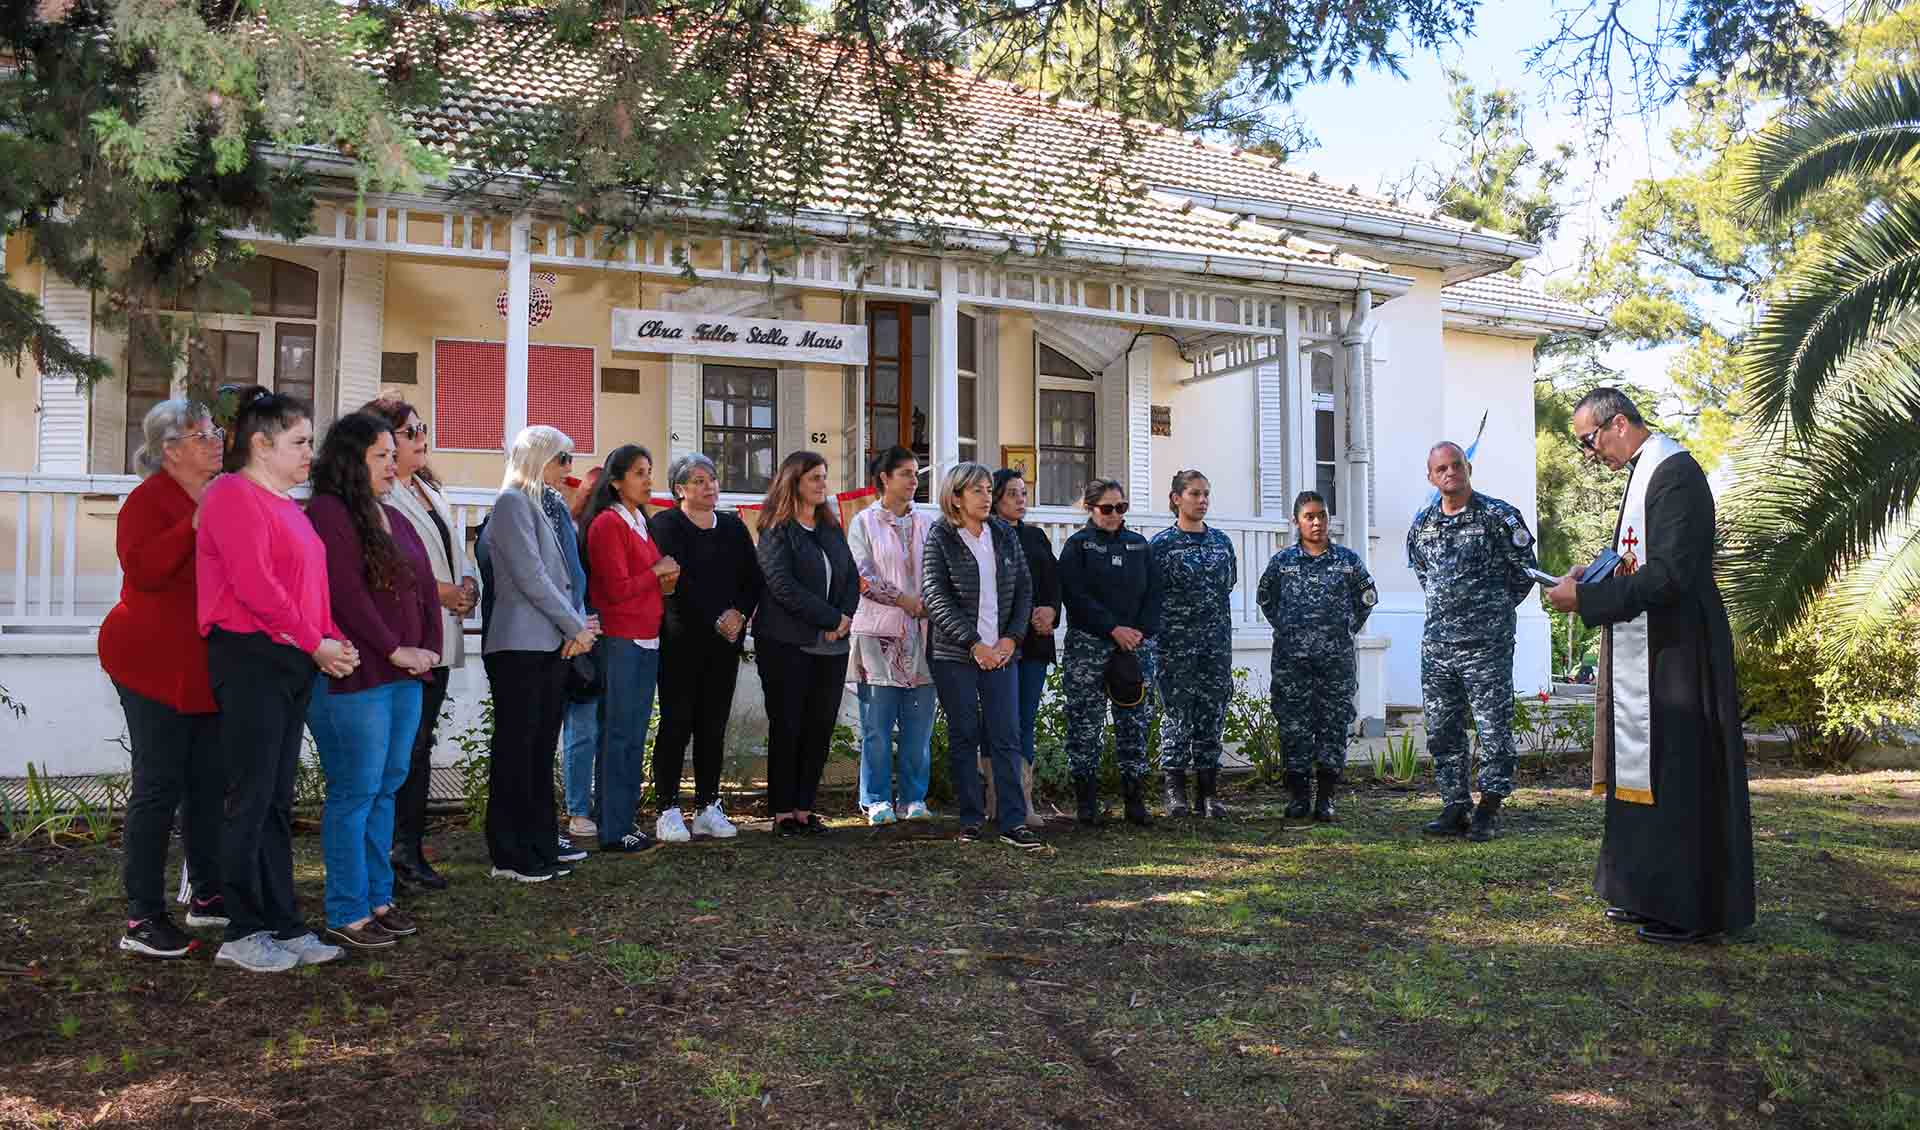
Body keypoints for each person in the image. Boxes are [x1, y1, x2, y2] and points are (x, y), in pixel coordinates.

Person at [1546, 387, 1755, 944]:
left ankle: (1685, 908)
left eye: (1590, 442)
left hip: (1681, 652)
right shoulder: (1645, 472)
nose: (1591, 454)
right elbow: (1640, 560)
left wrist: (1587, 602)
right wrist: (1597, 571)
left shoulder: (1675, 474)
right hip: (1653, 646)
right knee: (1644, 770)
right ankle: (1641, 893)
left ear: (1618, 424)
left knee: (1677, 772)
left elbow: (1672, 576)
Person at [197, 387, 355, 972]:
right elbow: (256, 588)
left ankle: (282, 922)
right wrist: (317, 642)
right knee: (250, 796)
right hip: (249, 657)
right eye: (300, 442)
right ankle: (241, 930)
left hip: (288, 659)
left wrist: (333, 639)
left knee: (275, 800)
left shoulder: (288, 505)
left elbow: (309, 590)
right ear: (261, 445)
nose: (310, 453)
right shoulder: (231, 495)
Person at [304, 413, 442, 950]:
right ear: (351, 460)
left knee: (386, 789)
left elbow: (426, 586)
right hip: (355, 678)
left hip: (406, 676)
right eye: (381, 455)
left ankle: (379, 898)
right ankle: (347, 908)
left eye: (393, 454)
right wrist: (392, 648)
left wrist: (427, 645)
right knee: (355, 793)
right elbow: (345, 594)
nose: (393, 463)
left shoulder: (394, 516)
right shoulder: (329, 513)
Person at [102, 400, 228, 958]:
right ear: (171, 449)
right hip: (151, 663)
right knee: (158, 786)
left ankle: (206, 895)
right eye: (203, 435)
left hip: (203, 663)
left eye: (216, 432)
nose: (216, 442)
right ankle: (142, 918)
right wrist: (192, 525)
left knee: (207, 783)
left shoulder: (223, 495)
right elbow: (145, 570)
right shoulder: (148, 500)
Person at [360, 398, 476, 892]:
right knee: (403, 748)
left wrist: (468, 587)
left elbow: (454, 549)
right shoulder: (382, 497)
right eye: (410, 432)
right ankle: (393, 853)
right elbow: (394, 564)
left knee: (421, 744)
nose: (421, 437)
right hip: (406, 638)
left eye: (422, 428)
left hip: (441, 631)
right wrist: (439, 591)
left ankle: (409, 846)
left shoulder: (428, 489)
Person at [479, 426, 598, 881]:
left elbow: (566, 574)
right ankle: (509, 855)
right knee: (517, 749)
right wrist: (575, 626)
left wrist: (576, 628)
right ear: (539, 457)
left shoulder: (545, 505)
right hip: (519, 645)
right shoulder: (512, 502)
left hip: (549, 643)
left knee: (540, 749)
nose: (569, 467)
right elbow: (530, 578)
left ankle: (541, 842)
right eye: (563, 457)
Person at [1406, 441, 1540, 842]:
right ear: (1431, 476)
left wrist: (1492, 611)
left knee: (1493, 728)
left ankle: (1490, 806)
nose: (1450, 473)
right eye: (1441, 469)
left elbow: (1524, 573)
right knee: (1443, 729)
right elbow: (1424, 575)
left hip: (1486, 645)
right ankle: (1454, 804)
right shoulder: (1423, 523)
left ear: (1468, 468)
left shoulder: (1498, 516)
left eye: (1457, 465)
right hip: (1439, 646)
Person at [923, 463, 1041, 849]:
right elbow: (935, 597)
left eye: (989, 489)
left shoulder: (1004, 534)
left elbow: (1024, 589)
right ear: (955, 497)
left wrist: (1010, 639)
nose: (987, 497)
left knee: (1006, 735)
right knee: (965, 735)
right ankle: (971, 819)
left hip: (1002, 653)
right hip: (956, 654)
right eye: (977, 490)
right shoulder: (940, 535)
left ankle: (1012, 821)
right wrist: (975, 644)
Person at [649, 453, 760, 840]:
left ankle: (708, 806)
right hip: (681, 639)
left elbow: (752, 579)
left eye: (712, 478)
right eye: (698, 480)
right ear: (679, 488)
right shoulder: (664, 525)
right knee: (677, 723)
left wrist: (739, 614)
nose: (709, 485)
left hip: (725, 642)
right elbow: (675, 582)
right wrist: (717, 615)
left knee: (713, 725)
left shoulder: (732, 527)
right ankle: (666, 808)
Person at [754, 451, 859, 837]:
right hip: (786, 644)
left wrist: (845, 618)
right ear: (794, 481)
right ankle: (782, 811)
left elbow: (850, 578)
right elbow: (781, 586)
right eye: (814, 477)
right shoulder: (776, 530)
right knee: (789, 725)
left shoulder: (831, 528)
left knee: (818, 727)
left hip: (832, 646)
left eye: (824, 477)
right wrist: (830, 618)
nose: (822, 484)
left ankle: (803, 808)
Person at [1257, 491, 1377, 822]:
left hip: (1334, 661)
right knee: (1294, 727)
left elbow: (1367, 597)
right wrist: (1286, 627)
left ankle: (1326, 798)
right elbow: (1265, 597)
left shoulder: (1348, 561)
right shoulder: (1282, 563)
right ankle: (1297, 798)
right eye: (1309, 516)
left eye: (1322, 515)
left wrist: (1346, 627)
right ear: (1297, 521)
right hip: (1291, 662)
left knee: (1333, 726)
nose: (1316, 522)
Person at [581, 445, 678, 853]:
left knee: (634, 734)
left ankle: (621, 819)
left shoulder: (639, 520)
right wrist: (656, 572)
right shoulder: (607, 524)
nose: (648, 479)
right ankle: (613, 826)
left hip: (647, 636)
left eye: (649, 471)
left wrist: (664, 577)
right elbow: (615, 589)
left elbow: (649, 579)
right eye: (640, 472)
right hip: (620, 638)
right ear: (616, 480)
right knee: (618, 734)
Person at [1058, 478, 1163, 827]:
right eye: (1107, 508)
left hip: (1134, 647)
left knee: (1134, 722)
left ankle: (1135, 800)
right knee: (1084, 724)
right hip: (1089, 646)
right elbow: (1074, 596)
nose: (1115, 515)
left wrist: (1138, 633)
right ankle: (1086, 802)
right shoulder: (1078, 546)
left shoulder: (1139, 546)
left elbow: (1154, 595)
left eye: (1121, 507)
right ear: (1090, 508)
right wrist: (1111, 629)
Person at [849, 446, 937, 826]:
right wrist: (904, 600)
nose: (914, 480)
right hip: (878, 636)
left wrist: (928, 604)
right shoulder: (863, 523)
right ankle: (876, 799)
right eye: (905, 473)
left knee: (919, 726)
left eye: (916, 473)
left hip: (924, 635)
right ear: (884, 478)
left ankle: (915, 798)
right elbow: (862, 575)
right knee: (878, 727)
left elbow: (939, 571)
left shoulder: (929, 523)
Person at [1149, 470, 1238, 819]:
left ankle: (1209, 793)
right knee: (1176, 717)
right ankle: (1175, 791)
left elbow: (1227, 584)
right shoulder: (1161, 546)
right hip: (1175, 647)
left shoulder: (1221, 543)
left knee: (1211, 718)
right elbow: (1152, 593)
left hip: (1214, 646)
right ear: (1176, 499)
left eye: (1206, 494)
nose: (1202, 501)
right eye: (1194, 494)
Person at [992, 468, 1061, 826]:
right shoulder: (985, 534)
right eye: (1012, 494)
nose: (1021, 500)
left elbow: (1052, 583)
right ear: (995, 498)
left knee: (1024, 720)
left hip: (1034, 642)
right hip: (998, 642)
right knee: (999, 720)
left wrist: (1050, 611)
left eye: (1023, 492)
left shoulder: (1036, 537)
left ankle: (1023, 801)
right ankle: (996, 800)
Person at [558, 463, 603, 842]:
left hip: (609, 639)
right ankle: (577, 809)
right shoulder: (571, 532)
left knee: (600, 727)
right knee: (582, 727)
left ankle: (604, 803)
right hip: (575, 637)